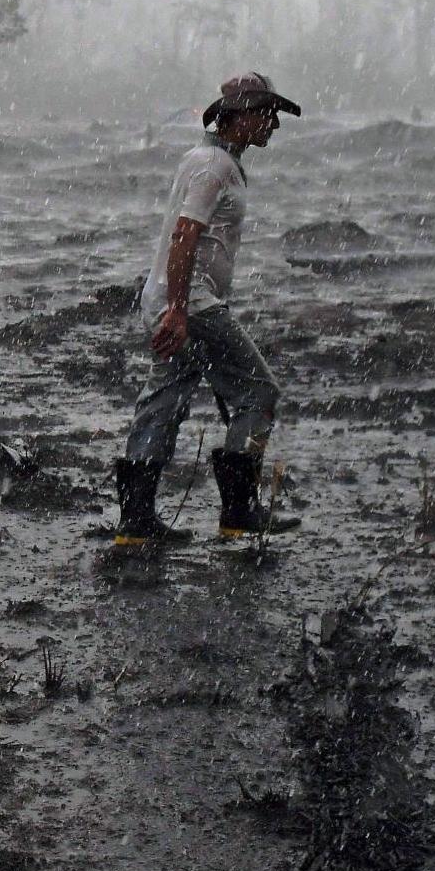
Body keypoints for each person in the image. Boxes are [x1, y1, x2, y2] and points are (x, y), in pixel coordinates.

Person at [113, 72, 305, 545]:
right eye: (268, 114)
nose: (274, 125)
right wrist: (179, 310)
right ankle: (240, 511)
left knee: (165, 400)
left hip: (176, 300)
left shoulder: (210, 160)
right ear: (238, 116)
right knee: (259, 392)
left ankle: (136, 523)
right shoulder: (212, 166)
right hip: (192, 304)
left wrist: (172, 306)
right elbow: (184, 235)